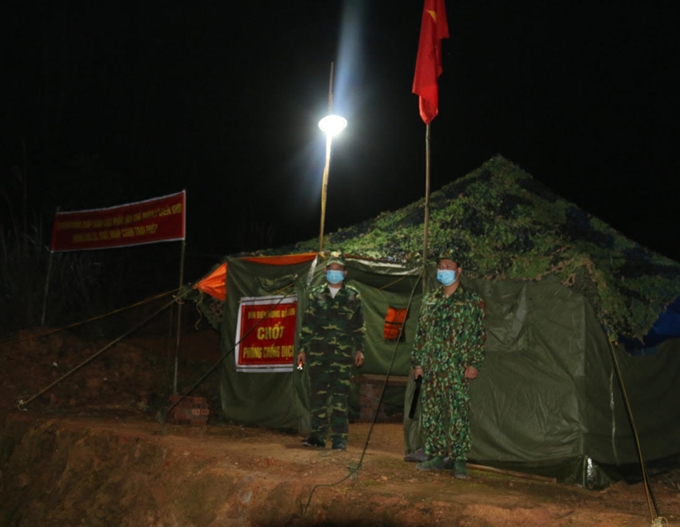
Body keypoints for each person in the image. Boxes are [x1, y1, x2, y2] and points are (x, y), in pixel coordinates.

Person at [411, 255, 486, 478]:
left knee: (458, 413)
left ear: (458, 270)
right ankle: (436, 454)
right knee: (431, 412)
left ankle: (459, 458)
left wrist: (474, 362)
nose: (443, 270)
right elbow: (421, 333)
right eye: (440, 266)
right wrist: (418, 363)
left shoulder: (472, 300)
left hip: (457, 367)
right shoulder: (430, 299)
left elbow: (479, 334)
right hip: (431, 366)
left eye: (449, 266)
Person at [297, 251, 365, 451]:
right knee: (317, 397)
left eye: (339, 269)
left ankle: (339, 439)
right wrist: (302, 349)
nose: (334, 272)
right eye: (331, 269)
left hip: (342, 356)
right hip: (318, 354)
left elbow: (359, 325)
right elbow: (307, 324)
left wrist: (359, 349)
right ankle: (318, 436)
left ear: (345, 273)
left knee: (339, 398)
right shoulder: (315, 294)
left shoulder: (353, 295)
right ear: (325, 271)